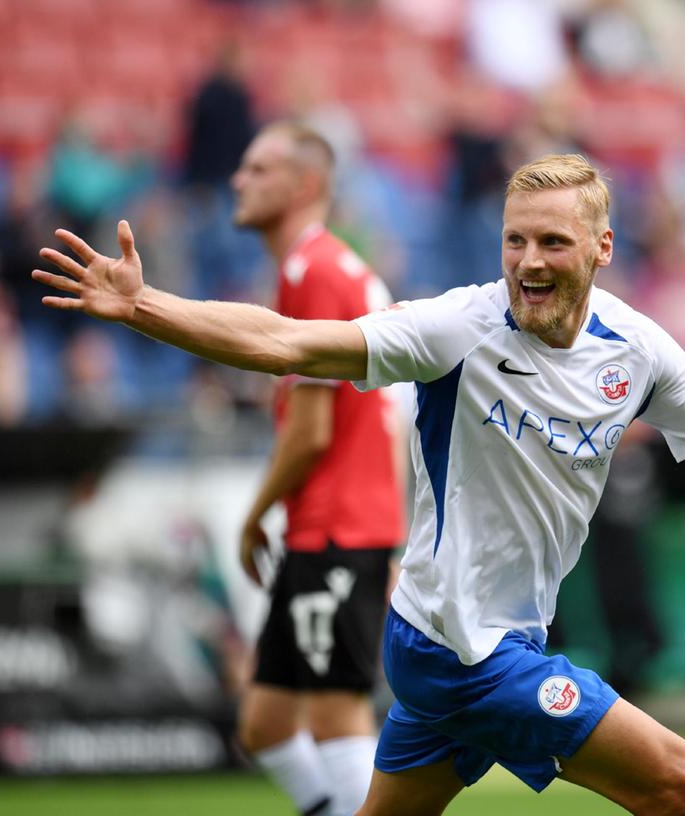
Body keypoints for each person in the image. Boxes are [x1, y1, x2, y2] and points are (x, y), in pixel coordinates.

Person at [32, 153, 685, 816]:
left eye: (551, 241)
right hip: (464, 652)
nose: (527, 260)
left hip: (451, 645)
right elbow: (288, 340)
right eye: (515, 239)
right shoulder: (458, 329)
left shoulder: (635, 352)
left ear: (600, 249)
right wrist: (147, 305)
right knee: (684, 788)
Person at [230, 121, 406, 816]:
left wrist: (253, 515)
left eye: (258, 169)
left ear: (306, 185)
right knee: (265, 724)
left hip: (335, 526)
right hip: (344, 524)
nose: (238, 180)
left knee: (337, 715)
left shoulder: (316, 272)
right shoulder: (330, 268)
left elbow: (309, 432)